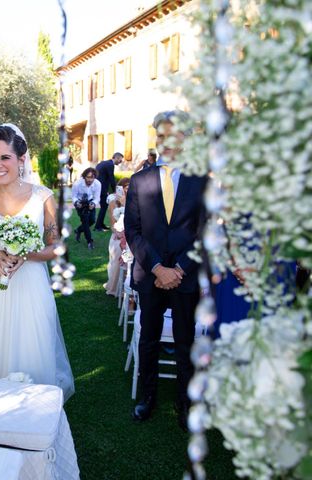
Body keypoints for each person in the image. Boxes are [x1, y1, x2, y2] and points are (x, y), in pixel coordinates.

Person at [0, 124, 75, 402]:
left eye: (5, 158)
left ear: (21, 159)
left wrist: (26, 253)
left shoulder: (43, 197)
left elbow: (57, 245)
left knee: (33, 349)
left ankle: (35, 414)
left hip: (32, 289)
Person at [124, 110, 207, 431]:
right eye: (160, 136)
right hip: (150, 275)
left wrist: (180, 269)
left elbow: (204, 231)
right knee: (148, 338)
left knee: (186, 340)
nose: (166, 143)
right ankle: (147, 396)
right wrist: (158, 267)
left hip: (185, 278)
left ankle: (184, 403)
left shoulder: (200, 181)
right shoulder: (140, 180)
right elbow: (133, 231)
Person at [104, 178, 130, 296]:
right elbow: (113, 223)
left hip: (130, 235)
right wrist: (119, 233)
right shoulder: (113, 202)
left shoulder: (135, 200)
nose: (127, 188)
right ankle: (115, 288)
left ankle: (129, 286)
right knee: (118, 251)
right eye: (125, 186)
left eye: (129, 186)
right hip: (118, 235)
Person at [72, 167, 101, 250]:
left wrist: (94, 203)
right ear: (84, 176)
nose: (90, 180)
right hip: (80, 203)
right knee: (85, 221)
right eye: (88, 177)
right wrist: (77, 203)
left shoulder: (98, 184)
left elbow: (97, 198)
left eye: (92, 177)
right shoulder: (77, 184)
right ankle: (89, 241)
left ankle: (78, 230)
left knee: (92, 221)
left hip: (90, 202)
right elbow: (74, 196)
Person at [94, 152, 123, 231]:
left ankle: (101, 224)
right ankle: (98, 227)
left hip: (99, 187)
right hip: (101, 188)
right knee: (104, 207)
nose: (120, 162)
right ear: (116, 158)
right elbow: (111, 179)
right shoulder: (110, 165)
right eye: (120, 160)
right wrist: (115, 191)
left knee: (104, 206)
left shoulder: (104, 163)